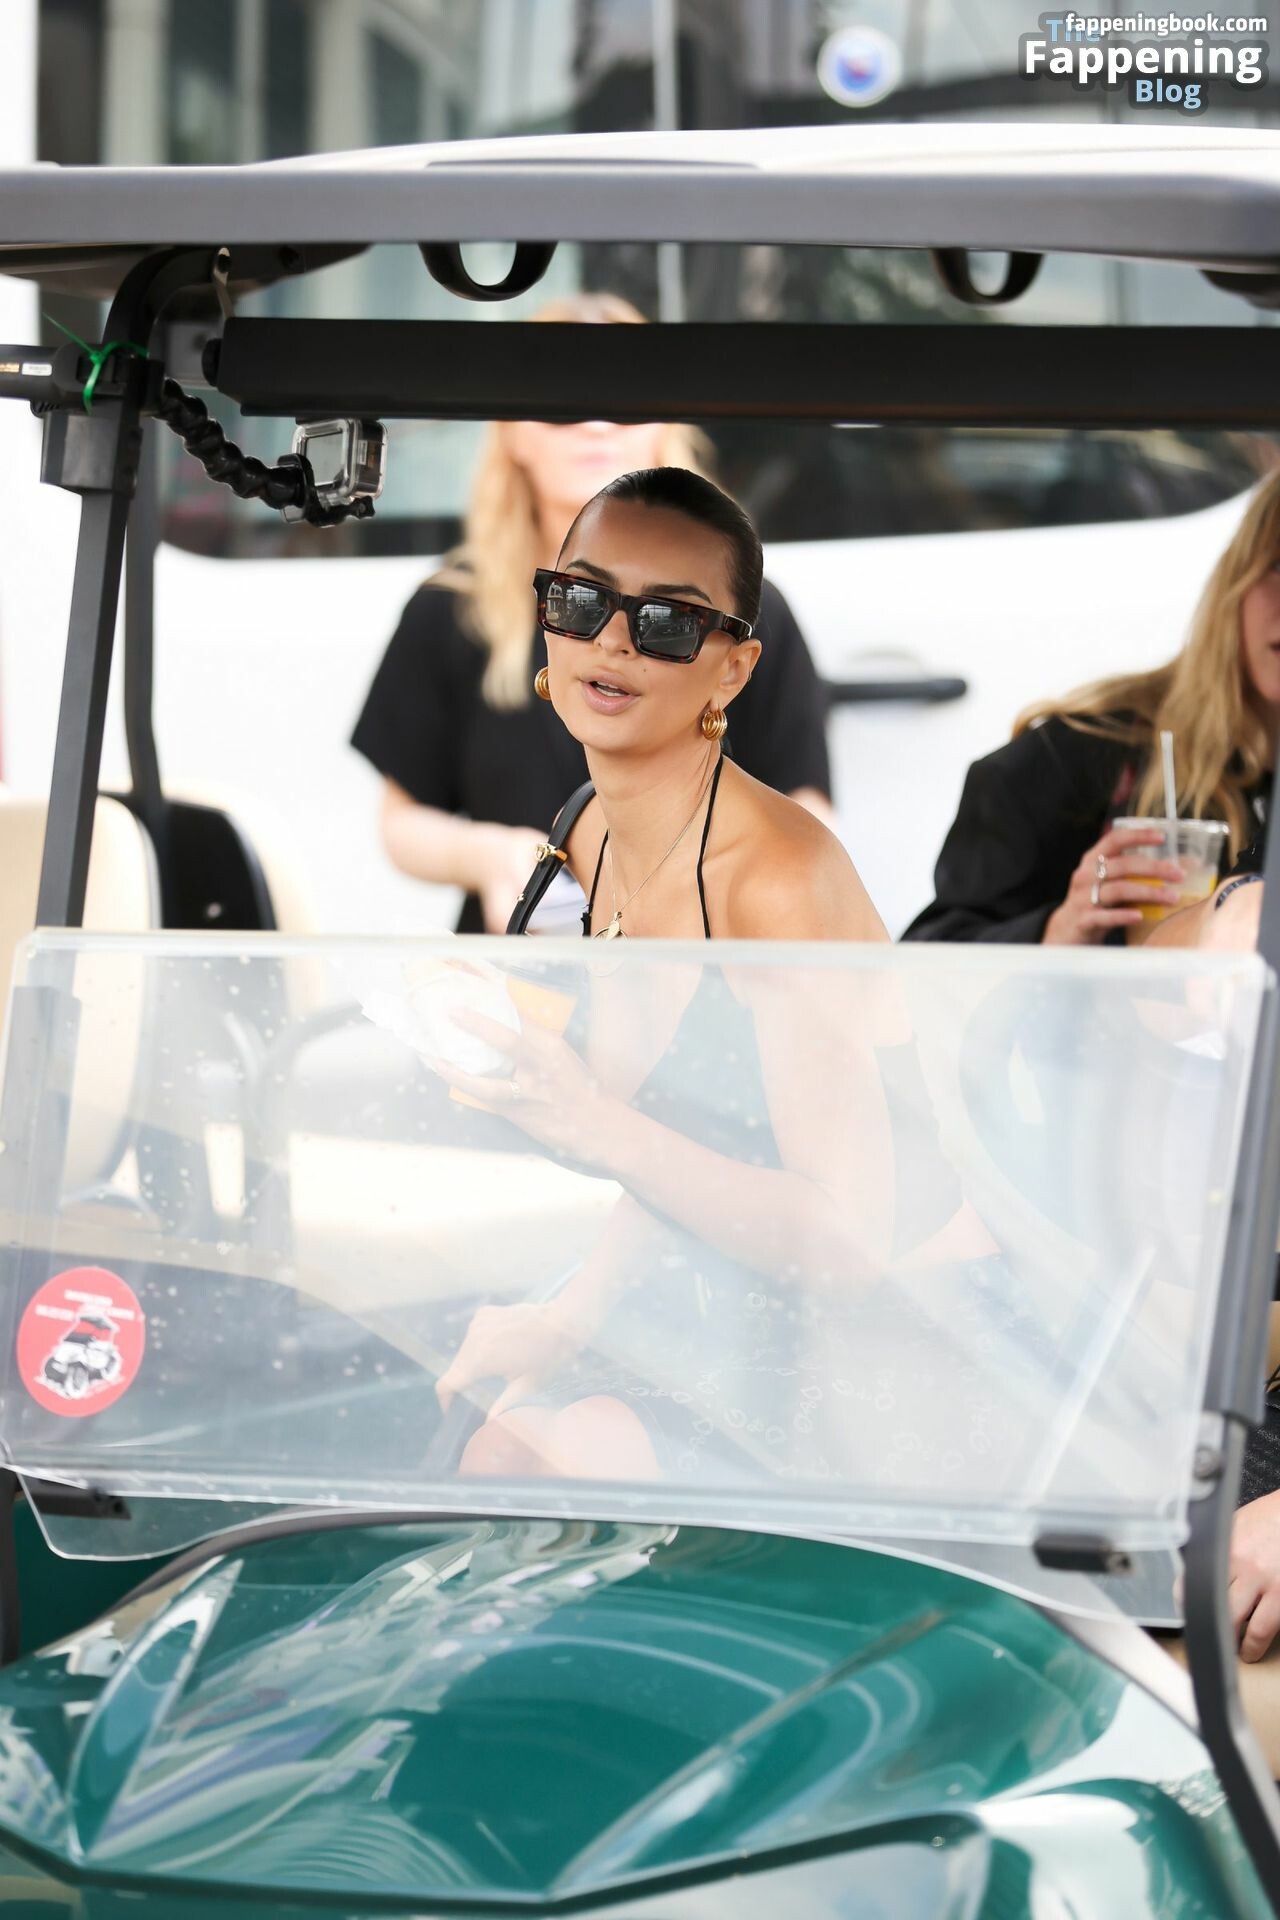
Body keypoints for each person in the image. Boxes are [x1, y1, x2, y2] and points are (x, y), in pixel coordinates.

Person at [430, 466, 1007, 1485]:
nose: (613, 642)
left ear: (733, 670)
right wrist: (568, 1317)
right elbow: (694, 1127)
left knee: (543, 1464)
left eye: (667, 622)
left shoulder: (776, 881)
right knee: (493, 1442)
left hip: (898, 1339)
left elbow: (848, 1243)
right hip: (730, 1289)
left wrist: (588, 1123)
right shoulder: (588, 826)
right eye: (582, 600)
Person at [351, 292, 833, 934]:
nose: (598, 426)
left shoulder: (747, 611)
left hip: (699, 961)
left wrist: (708, 884)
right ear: (513, 433)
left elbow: (806, 814)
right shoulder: (451, 607)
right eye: (563, 407)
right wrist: (495, 856)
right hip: (520, 961)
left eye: (626, 405)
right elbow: (402, 821)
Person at [903, 468, 1280, 945]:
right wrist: (1055, 931)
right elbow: (928, 961)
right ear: (1235, 579)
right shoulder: (1087, 751)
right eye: (1278, 567)